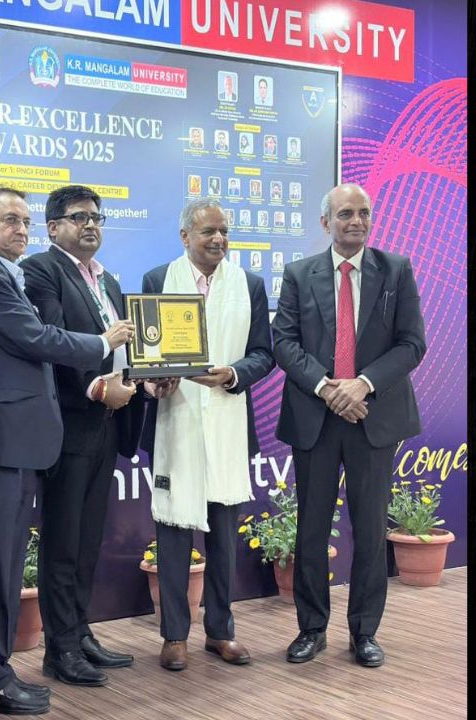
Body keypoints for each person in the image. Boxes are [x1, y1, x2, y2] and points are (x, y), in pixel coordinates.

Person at [0, 185, 134, 715]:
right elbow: (35, 337)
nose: (21, 230)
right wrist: (103, 343)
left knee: (9, 563)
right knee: (1, 566)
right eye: (11, 220)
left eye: (25, 221)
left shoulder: (4, 270)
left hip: (23, 435)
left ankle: (0, 669)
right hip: (2, 436)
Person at [272, 184, 427, 668]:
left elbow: (411, 343)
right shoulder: (299, 274)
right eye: (345, 214)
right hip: (316, 418)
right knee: (311, 530)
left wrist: (362, 384)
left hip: (372, 418)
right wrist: (328, 389)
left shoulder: (396, 270)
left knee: (370, 530)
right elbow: (284, 342)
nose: (356, 221)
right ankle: (311, 629)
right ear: (326, 222)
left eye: (363, 212)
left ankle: (365, 632)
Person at [138, 198, 275, 671]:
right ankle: (174, 635)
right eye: (208, 232)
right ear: (185, 237)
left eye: (224, 231)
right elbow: (146, 354)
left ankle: (220, 631)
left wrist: (234, 374)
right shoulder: (158, 280)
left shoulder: (249, 284)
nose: (218, 239)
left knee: (223, 539)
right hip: (174, 421)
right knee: (174, 533)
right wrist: (156, 381)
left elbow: (263, 354)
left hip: (226, 422)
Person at [20, 185, 143, 688]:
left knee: (89, 538)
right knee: (63, 541)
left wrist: (143, 379)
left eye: (96, 217)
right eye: (78, 217)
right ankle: (60, 648)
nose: (90, 225)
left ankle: (80, 631)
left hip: (107, 425)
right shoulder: (41, 271)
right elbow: (52, 342)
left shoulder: (108, 280)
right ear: (53, 227)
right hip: (70, 425)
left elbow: (122, 349)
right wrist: (95, 387)